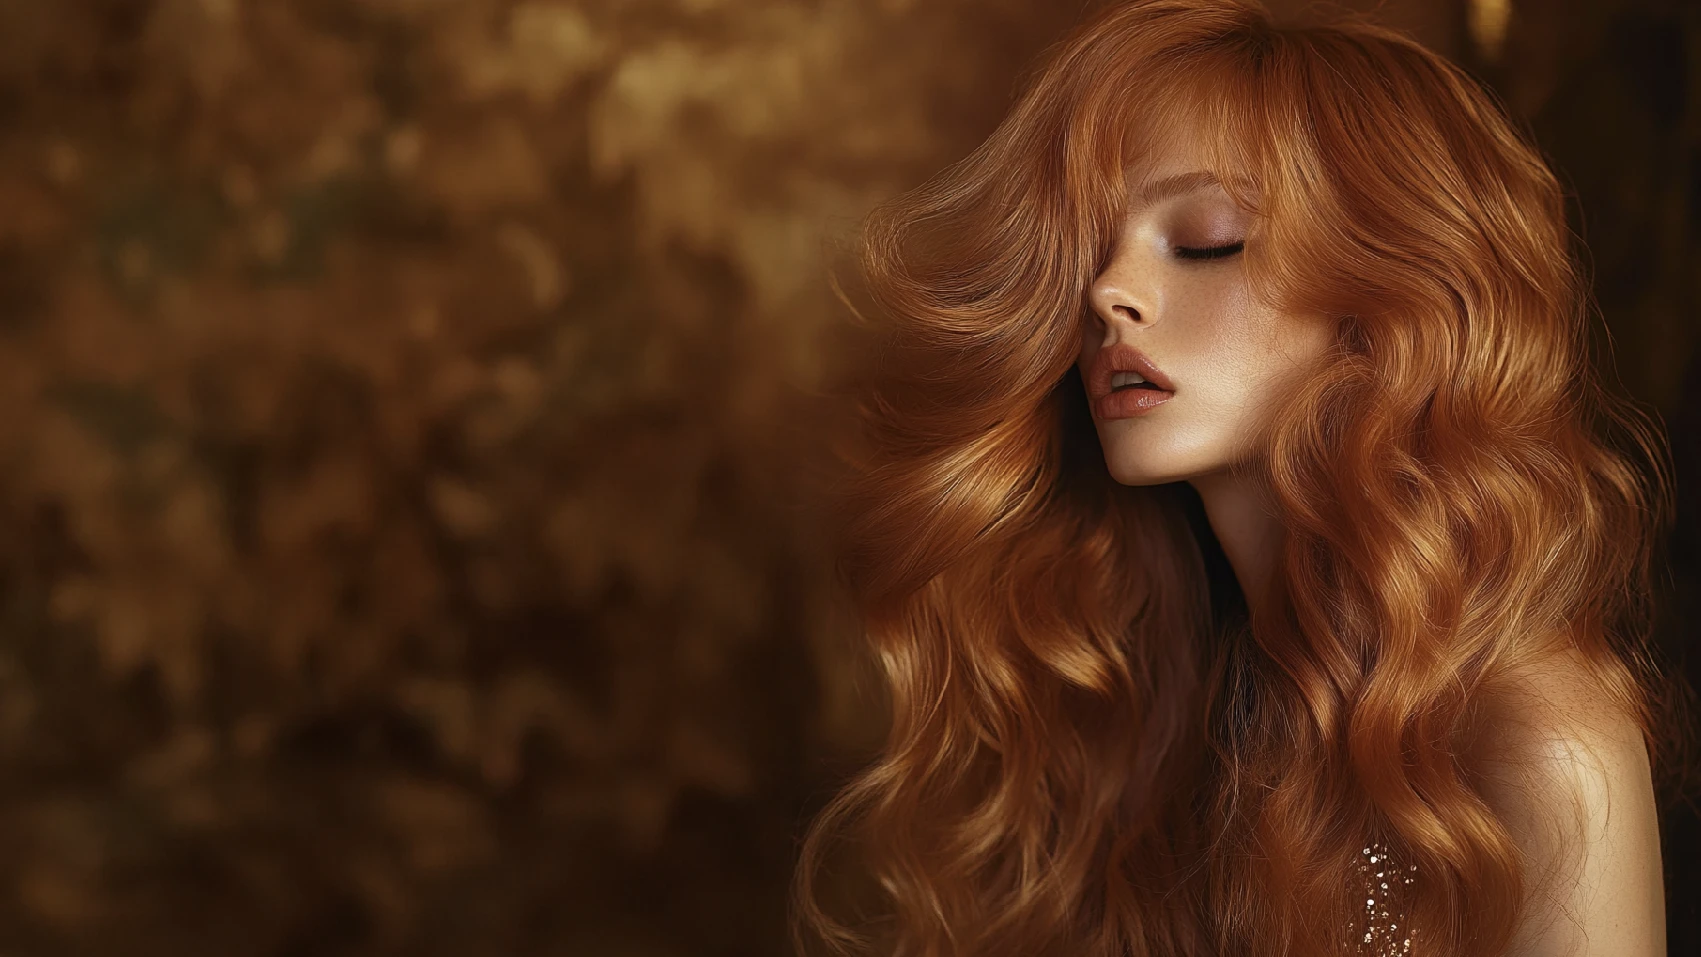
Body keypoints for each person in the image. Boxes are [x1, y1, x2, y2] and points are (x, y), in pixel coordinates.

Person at [792, 1, 1686, 956]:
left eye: (1208, 238)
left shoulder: (1535, 737)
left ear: (1388, 294)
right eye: (1090, 247)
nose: (1104, 291)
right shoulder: (1157, 710)